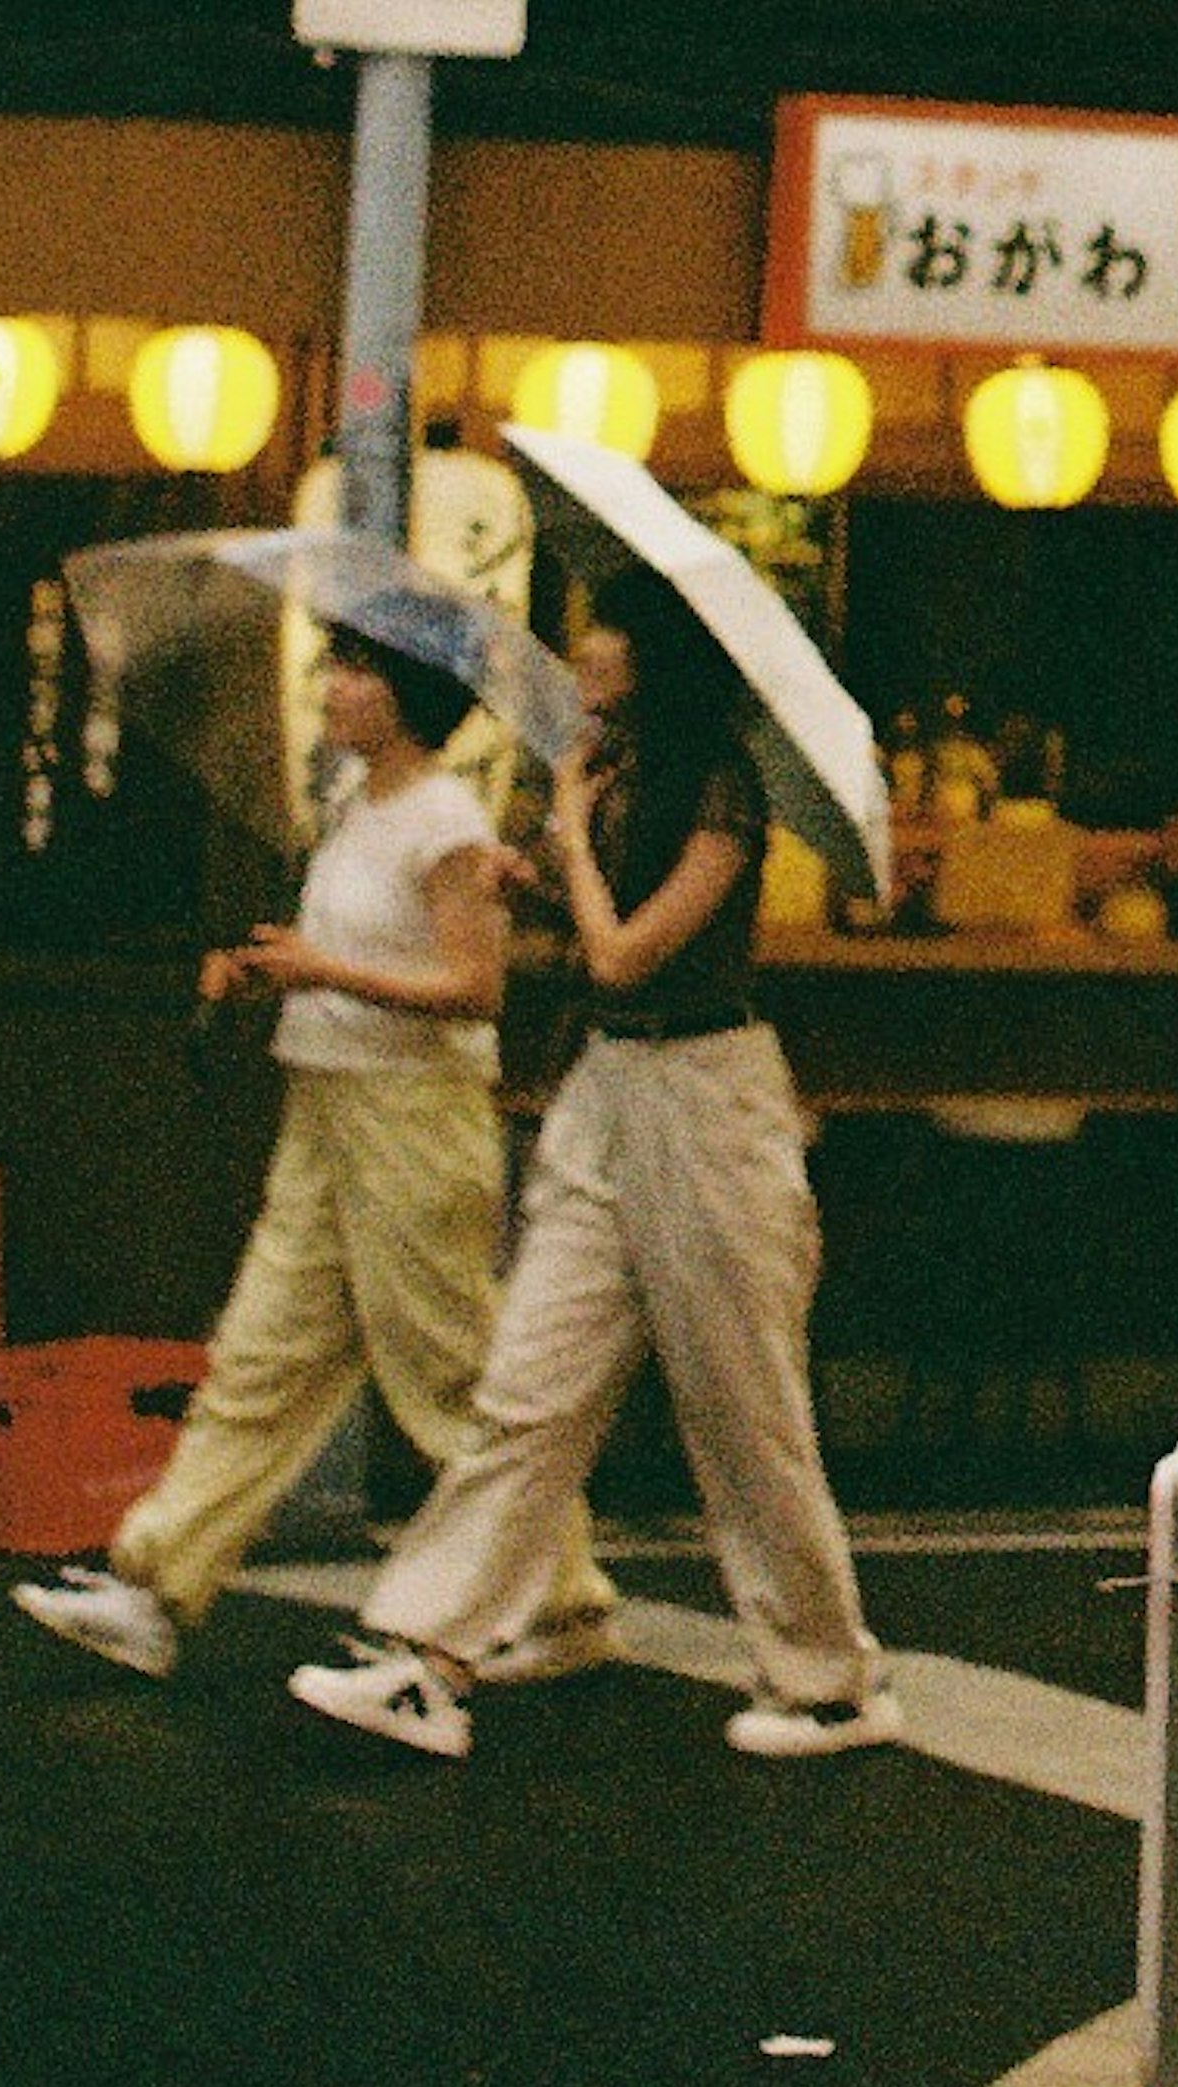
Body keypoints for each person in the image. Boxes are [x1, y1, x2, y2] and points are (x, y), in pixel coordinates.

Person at [288, 586, 895, 1767]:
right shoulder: (615, 770)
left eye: (604, 636)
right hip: (609, 1091)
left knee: (742, 1399)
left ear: (655, 657)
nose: (581, 655)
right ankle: (428, 1652)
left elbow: (627, 956)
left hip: (709, 1099)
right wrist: (554, 859)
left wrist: (567, 830)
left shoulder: (723, 790)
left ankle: (828, 1678)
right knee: (530, 1377)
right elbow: (597, 936)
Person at [14, 638, 614, 1685]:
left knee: (448, 1371)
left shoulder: (446, 821)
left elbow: (475, 985)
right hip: (327, 1100)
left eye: (353, 671)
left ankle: (564, 1599)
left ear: (408, 698)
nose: (329, 686)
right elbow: (376, 958)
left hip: (412, 1115)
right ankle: (154, 1584)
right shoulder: (357, 804)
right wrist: (274, 970)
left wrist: (319, 968)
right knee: (260, 1354)